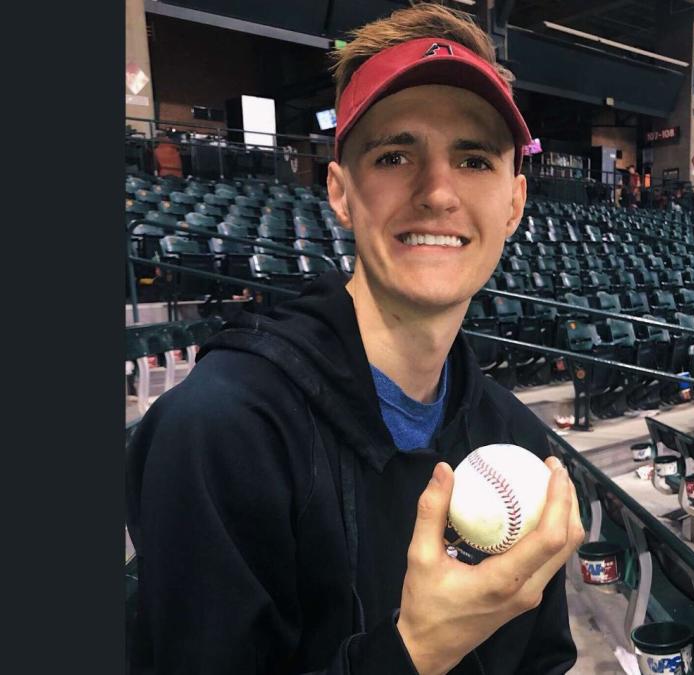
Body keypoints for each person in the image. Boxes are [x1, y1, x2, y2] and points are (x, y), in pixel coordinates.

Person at [126, 4, 585, 674]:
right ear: (340, 191)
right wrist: (413, 652)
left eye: (475, 159)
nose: (437, 191)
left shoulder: (516, 439)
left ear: (514, 201)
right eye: (395, 154)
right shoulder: (218, 435)